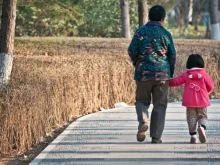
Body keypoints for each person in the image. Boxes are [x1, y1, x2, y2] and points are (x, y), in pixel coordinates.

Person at [128, 5, 176, 143]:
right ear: (162, 18)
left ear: (148, 16)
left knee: (142, 100)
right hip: (162, 74)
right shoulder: (166, 34)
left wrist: (137, 62)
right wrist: (169, 73)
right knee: (160, 104)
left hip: (143, 73)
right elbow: (172, 55)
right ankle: (156, 137)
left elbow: (131, 50)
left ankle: (143, 120)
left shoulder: (140, 32)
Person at [169, 54, 214, 143]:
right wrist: (206, 93)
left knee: (191, 117)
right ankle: (202, 128)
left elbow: (175, 82)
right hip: (202, 100)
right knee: (202, 116)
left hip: (190, 102)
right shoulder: (204, 75)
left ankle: (193, 136)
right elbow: (211, 86)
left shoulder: (186, 75)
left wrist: (167, 81)